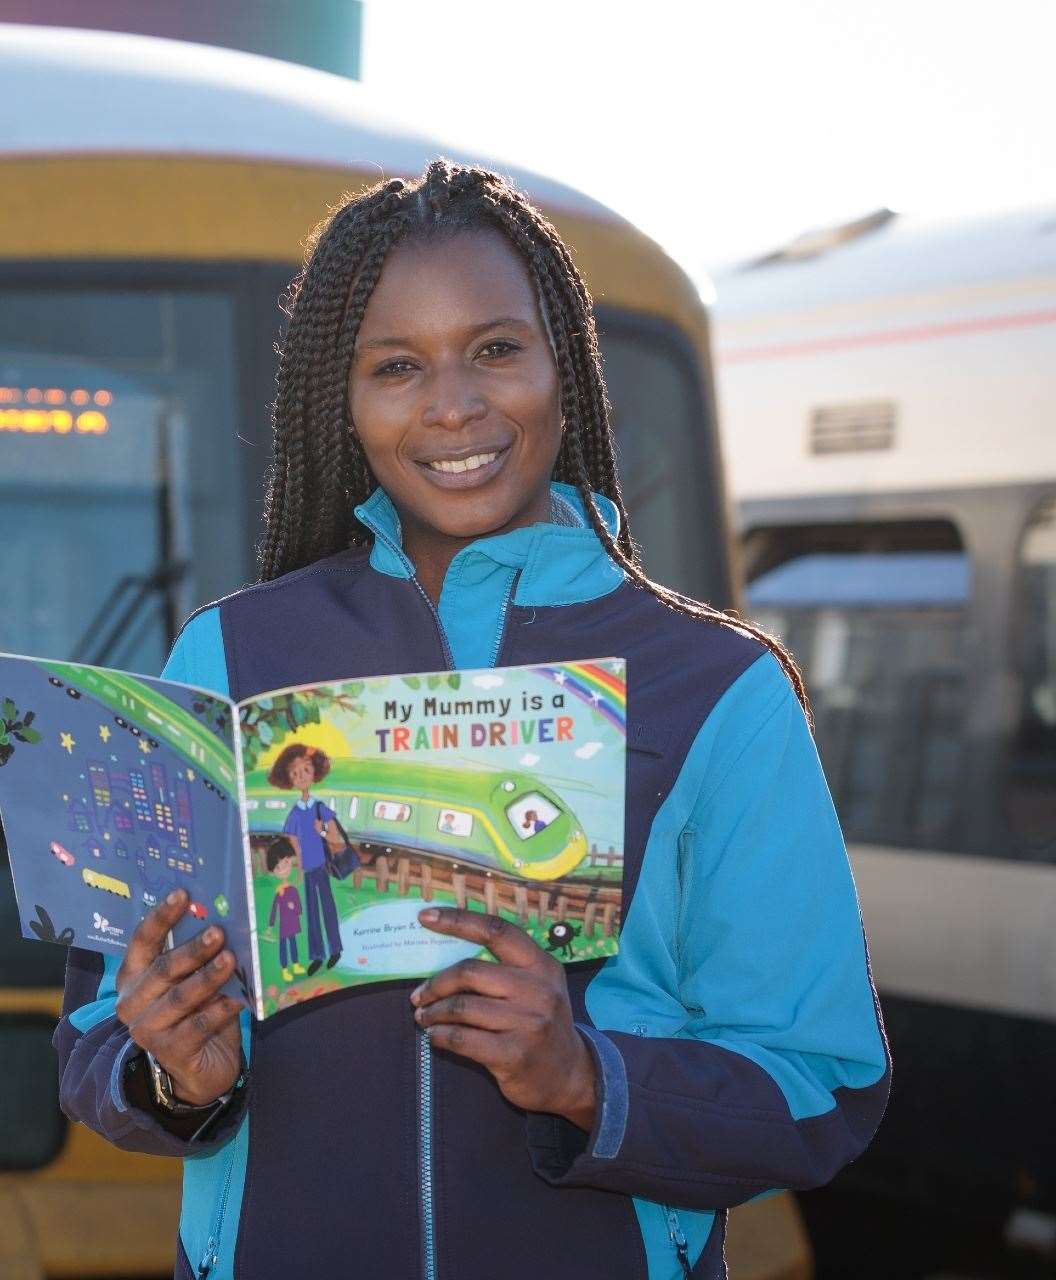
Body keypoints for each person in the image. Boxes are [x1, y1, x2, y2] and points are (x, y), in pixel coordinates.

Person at [51, 160, 889, 1280]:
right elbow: (99, 1034)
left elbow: (820, 1082)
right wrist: (173, 1069)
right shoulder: (231, 657)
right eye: (396, 366)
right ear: (341, 403)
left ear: (564, 367)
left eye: (497, 348)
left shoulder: (718, 687)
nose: (454, 403)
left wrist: (590, 1079)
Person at [266, 743, 342, 974]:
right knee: (310, 913)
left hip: (322, 866)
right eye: (294, 773)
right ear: (289, 779)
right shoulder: (294, 814)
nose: (301, 776)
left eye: (305, 770)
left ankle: (335, 949)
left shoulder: (320, 807)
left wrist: (320, 831)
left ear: (314, 773)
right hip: (307, 869)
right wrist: (298, 867)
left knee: (328, 908)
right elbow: (294, 843)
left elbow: (334, 836)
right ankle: (317, 955)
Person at [261, 839, 305, 980]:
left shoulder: (292, 889)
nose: (284, 869)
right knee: (283, 947)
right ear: (273, 871)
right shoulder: (278, 892)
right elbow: (274, 909)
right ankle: (285, 969)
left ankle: (296, 964)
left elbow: (299, 908)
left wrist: (295, 909)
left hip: (293, 924)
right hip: (283, 926)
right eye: (278, 868)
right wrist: (270, 925)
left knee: (293, 944)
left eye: (285, 863)